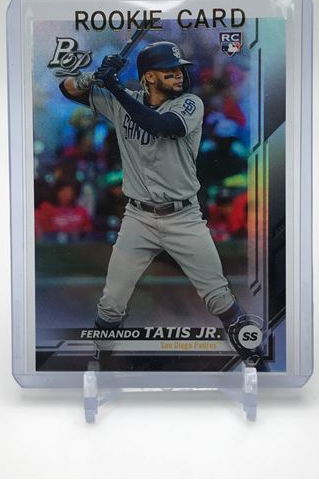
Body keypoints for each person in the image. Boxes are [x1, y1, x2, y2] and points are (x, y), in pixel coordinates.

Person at [59, 41, 261, 365]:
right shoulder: (123, 101)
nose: (179, 75)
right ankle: (98, 363)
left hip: (184, 217)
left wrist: (115, 87)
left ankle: (255, 359)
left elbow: (163, 126)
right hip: (138, 219)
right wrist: (93, 77)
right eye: (169, 70)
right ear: (149, 77)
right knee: (112, 301)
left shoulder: (189, 104)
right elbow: (67, 89)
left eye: (179, 69)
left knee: (218, 296)